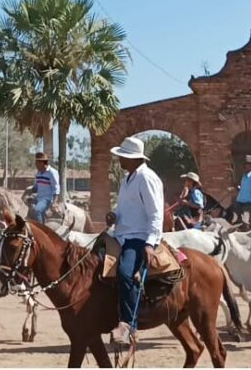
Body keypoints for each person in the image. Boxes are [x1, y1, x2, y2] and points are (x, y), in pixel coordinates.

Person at [104, 136, 163, 345]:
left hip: (138, 237)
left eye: (122, 156)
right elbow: (124, 210)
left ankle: (129, 324)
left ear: (133, 158)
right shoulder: (128, 178)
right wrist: (114, 216)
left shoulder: (147, 178)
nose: (119, 159)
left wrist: (150, 243)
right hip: (120, 234)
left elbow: (156, 214)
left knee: (125, 273)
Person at [29, 152, 60, 223]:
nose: (35, 165)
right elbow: (36, 187)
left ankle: (41, 230)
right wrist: (30, 190)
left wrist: (54, 203)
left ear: (42, 163)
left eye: (37, 163)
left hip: (47, 199)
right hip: (38, 198)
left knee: (37, 211)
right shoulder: (38, 173)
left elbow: (56, 188)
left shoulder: (52, 172)